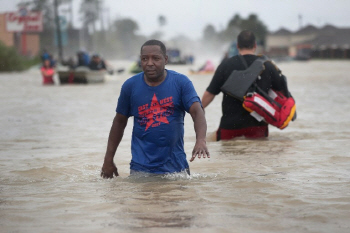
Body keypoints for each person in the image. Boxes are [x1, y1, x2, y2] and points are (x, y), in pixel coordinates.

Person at [101, 39, 209, 178]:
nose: (149, 63)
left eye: (156, 58)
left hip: (176, 170)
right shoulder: (130, 86)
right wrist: (108, 159)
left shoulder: (181, 83)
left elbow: (197, 111)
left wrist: (201, 140)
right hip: (140, 170)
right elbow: (119, 122)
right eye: (145, 59)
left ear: (165, 59)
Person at [201, 30, 290, 140]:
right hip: (258, 127)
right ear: (255, 45)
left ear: (238, 45)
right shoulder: (268, 66)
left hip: (229, 127)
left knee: (225, 152)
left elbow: (210, 93)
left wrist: (198, 109)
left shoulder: (225, 65)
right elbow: (282, 94)